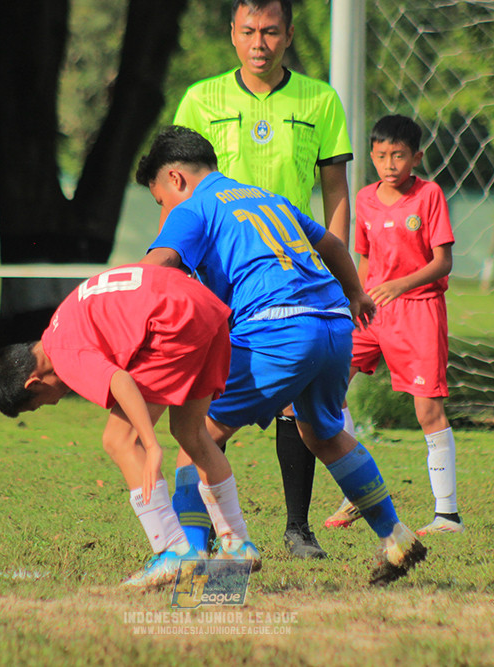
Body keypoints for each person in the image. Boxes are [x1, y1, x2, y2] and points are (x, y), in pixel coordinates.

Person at [136, 125, 426, 585]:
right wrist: (355, 293)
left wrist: (113, 308)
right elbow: (330, 243)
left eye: (160, 202)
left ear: (174, 179)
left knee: (195, 435)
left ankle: (190, 554)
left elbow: (158, 267)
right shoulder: (264, 198)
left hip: (278, 326)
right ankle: (396, 536)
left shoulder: (192, 208)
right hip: (332, 323)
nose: (165, 213)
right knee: (325, 435)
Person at [173, 0, 353, 558]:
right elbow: (177, 188)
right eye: (249, 31)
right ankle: (203, 535)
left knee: (291, 397)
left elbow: (335, 192)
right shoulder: (201, 98)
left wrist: (331, 258)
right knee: (204, 399)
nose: (260, 42)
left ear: (289, 35)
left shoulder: (320, 99)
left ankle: (297, 528)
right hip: (216, 271)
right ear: (231, 34)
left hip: (284, 272)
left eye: (271, 31)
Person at [0, 263, 260, 589]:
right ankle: (237, 544)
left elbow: (120, 380)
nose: (53, 403)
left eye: (39, 404)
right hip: (206, 310)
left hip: (175, 322)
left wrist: (150, 445)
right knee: (191, 433)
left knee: (118, 440)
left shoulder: (63, 351)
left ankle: (173, 551)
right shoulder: (64, 321)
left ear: (33, 383)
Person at [323, 115, 464, 536]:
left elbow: (443, 261)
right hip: (371, 311)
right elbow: (364, 260)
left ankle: (447, 515)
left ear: (416, 157)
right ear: (371, 155)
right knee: (330, 387)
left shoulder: (429, 196)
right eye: (382, 156)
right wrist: (356, 297)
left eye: (399, 155)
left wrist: (399, 284)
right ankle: (356, 491)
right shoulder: (364, 200)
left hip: (418, 310)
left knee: (427, 409)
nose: (390, 164)